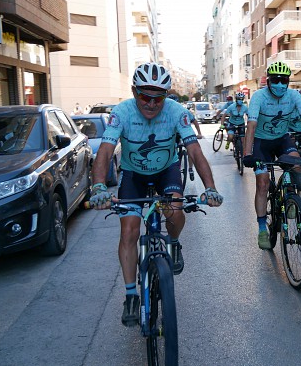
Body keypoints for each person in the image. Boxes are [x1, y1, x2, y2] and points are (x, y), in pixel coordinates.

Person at [88, 62, 223, 327]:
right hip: (133, 174)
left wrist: (210, 188)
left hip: (166, 171)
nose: (151, 103)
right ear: (133, 91)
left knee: (174, 210)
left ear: (167, 95)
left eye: (158, 97)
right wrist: (99, 187)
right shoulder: (122, 113)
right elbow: (104, 151)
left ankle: (173, 244)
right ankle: (130, 295)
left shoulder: (177, 112)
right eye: (144, 96)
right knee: (128, 230)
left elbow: (195, 152)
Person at [242, 61, 301, 249]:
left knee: (297, 165)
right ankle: (263, 228)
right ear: (268, 80)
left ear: (288, 81)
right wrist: (247, 154)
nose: (280, 84)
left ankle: (290, 197)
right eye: (275, 80)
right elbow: (252, 125)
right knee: (263, 183)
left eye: (284, 80)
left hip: (282, 139)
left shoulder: (293, 96)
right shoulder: (258, 97)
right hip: (261, 143)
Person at [169, 94, 203, 181]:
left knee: (190, 148)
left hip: (182, 133)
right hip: (171, 134)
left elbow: (194, 121)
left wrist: (199, 133)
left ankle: (190, 169)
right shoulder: (164, 112)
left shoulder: (183, 111)